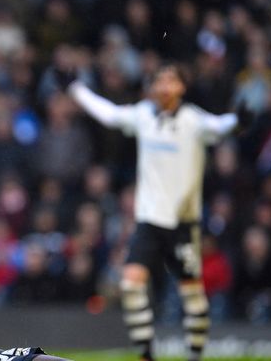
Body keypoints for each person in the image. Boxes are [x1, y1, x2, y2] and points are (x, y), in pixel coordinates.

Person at [63, 64, 249, 361]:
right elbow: (109, 114)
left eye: (169, 80)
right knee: (131, 285)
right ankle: (146, 354)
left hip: (182, 222)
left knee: (192, 296)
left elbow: (220, 126)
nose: (162, 86)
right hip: (149, 221)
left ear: (181, 88)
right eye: (158, 81)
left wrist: (238, 121)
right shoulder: (143, 116)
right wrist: (77, 89)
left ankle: (195, 355)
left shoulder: (193, 120)